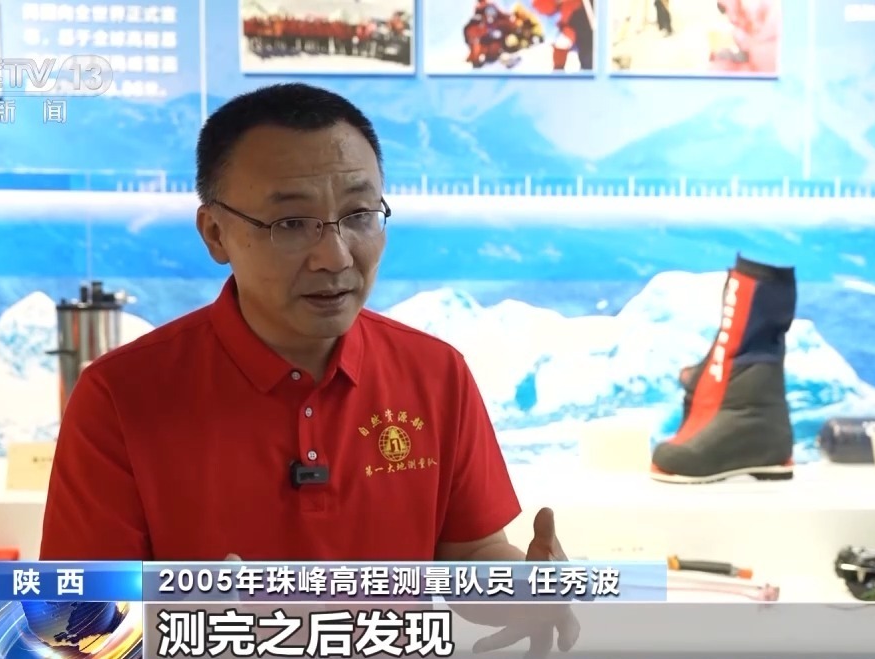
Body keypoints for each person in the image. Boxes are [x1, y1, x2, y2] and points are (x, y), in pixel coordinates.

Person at [40, 82, 580, 654]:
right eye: (291, 223)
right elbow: (71, 625)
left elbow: (469, 552)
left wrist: (523, 590)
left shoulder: (436, 373)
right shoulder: (119, 396)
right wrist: (189, 627)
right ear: (215, 233)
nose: (336, 257)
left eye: (359, 215)